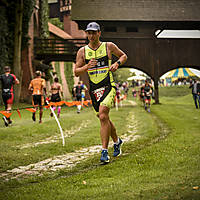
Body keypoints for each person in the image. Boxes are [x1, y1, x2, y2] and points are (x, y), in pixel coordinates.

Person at [74, 22, 127, 163]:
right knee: (104, 119)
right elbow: (76, 71)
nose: (90, 35)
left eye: (93, 32)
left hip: (108, 86)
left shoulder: (108, 46)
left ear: (99, 33)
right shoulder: (82, 51)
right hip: (94, 89)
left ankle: (104, 152)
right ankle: (117, 141)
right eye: (88, 33)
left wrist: (117, 64)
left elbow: (123, 56)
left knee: (103, 115)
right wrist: (86, 66)